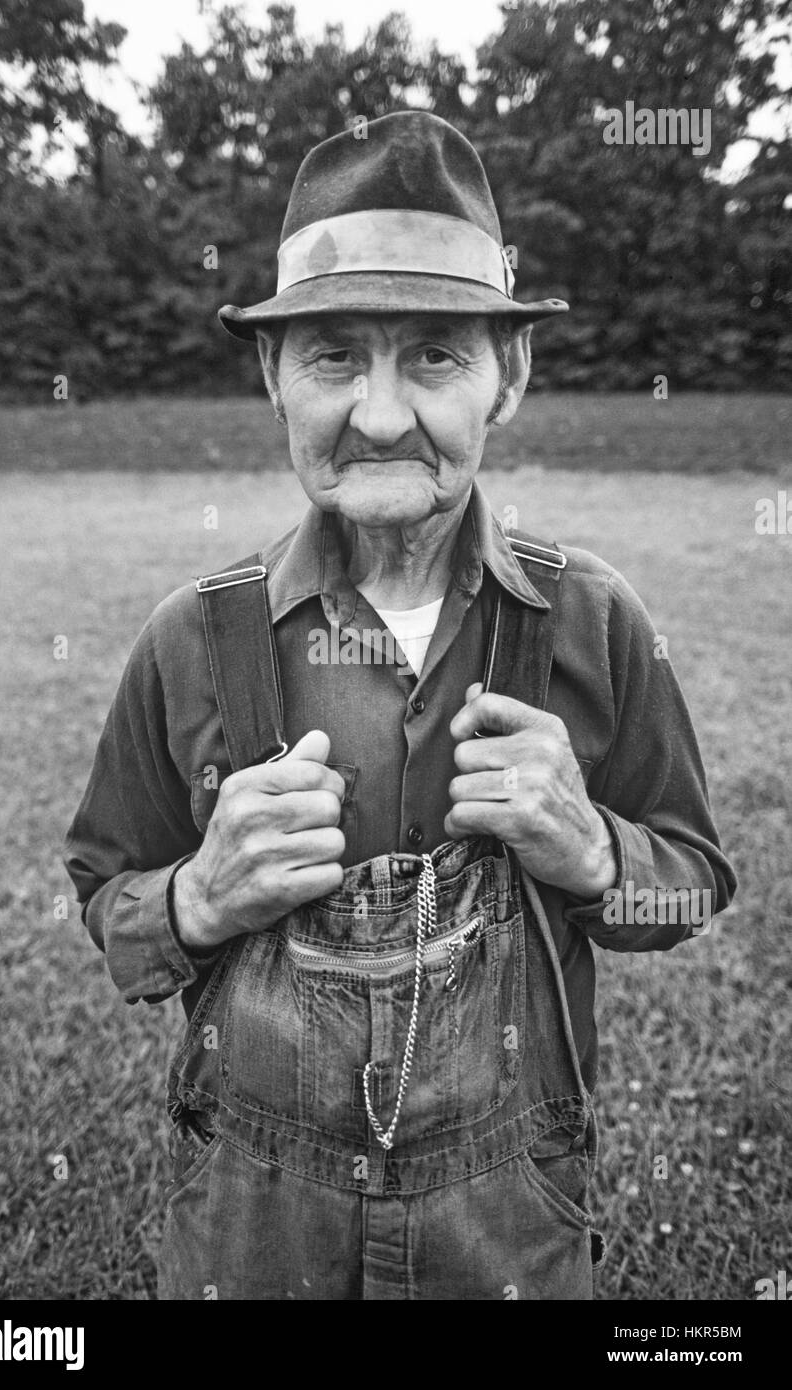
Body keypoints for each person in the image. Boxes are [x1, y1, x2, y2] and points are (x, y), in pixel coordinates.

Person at [64, 110, 736, 1301]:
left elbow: (688, 879)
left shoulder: (592, 623)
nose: (379, 415)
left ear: (507, 376)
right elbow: (106, 895)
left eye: (433, 354)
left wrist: (591, 851)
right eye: (332, 356)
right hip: (252, 1232)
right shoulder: (190, 639)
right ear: (271, 373)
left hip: (510, 1231)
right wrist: (195, 896)